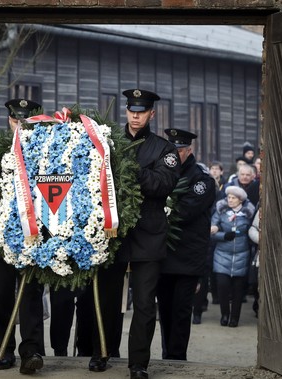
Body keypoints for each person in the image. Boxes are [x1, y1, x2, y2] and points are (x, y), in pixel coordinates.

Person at [88, 88, 181, 379]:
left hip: (148, 233)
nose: (136, 116)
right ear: (126, 111)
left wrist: (130, 169)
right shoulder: (109, 142)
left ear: (152, 114)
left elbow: (161, 185)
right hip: (113, 232)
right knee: (106, 297)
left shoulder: (164, 149)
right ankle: (101, 352)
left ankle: (138, 363)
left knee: (143, 302)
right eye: (132, 111)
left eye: (142, 111)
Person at [0, 98, 46, 375]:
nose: (19, 125)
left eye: (25, 121)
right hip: (1, 238)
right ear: (9, 120)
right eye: (15, 120)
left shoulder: (45, 153)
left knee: (31, 296)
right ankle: (3, 349)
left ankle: (31, 351)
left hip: (32, 236)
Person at [156, 128, 215, 360]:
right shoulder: (163, 174)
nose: (174, 154)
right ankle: (166, 355)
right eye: (171, 150)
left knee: (181, 311)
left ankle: (177, 358)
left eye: (178, 150)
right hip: (163, 254)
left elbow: (184, 211)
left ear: (188, 151)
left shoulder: (201, 180)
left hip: (187, 258)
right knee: (165, 310)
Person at [210, 185, 255, 328]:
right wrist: (223, 235)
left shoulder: (248, 213)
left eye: (233, 198)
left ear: (240, 200)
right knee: (222, 287)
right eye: (228, 197)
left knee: (238, 290)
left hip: (242, 254)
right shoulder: (221, 211)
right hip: (222, 254)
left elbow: (252, 229)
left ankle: (235, 317)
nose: (230, 200)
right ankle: (224, 315)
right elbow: (211, 230)